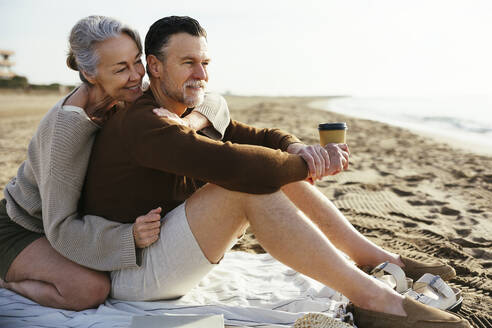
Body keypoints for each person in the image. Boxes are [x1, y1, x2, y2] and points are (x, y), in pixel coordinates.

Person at [82, 16, 470, 327]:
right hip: (134, 275)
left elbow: (252, 135)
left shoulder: (184, 111)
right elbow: (235, 164)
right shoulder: (144, 122)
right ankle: (375, 300)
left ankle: (376, 258)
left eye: (205, 63)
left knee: (265, 167)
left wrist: (294, 147)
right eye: (188, 63)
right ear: (154, 66)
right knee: (246, 184)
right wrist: (305, 165)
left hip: (164, 254)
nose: (201, 74)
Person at [0, 15, 229, 311]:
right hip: (25, 226)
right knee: (89, 290)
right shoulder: (66, 129)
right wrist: (127, 236)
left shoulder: (129, 94)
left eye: (137, 62)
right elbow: (60, 227)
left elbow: (213, 99)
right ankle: (6, 281)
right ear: (89, 72)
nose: (136, 75)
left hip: (73, 227)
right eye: (121, 68)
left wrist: (193, 122)